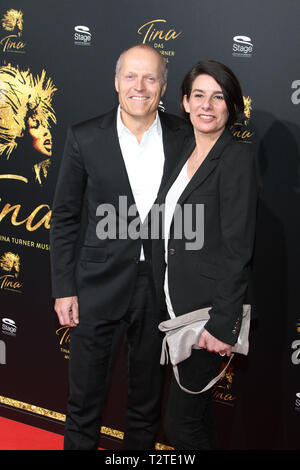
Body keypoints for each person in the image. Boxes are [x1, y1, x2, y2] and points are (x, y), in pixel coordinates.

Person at [49, 44, 190, 450]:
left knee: (146, 408)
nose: (140, 87)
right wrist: (64, 287)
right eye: (130, 76)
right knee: (83, 404)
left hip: (159, 289)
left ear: (163, 87)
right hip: (95, 287)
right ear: (116, 82)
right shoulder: (84, 136)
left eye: (150, 78)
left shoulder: (185, 137)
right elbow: (64, 218)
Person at [151, 60, 258, 449]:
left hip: (206, 318)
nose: (207, 106)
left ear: (231, 106)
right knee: (195, 419)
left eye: (218, 97)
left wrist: (222, 324)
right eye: (199, 95)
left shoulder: (236, 158)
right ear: (184, 101)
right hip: (173, 307)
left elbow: (237, 249)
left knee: (180, 426)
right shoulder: (181, 150)